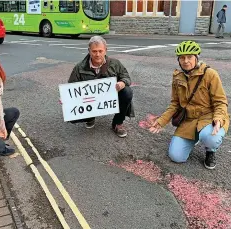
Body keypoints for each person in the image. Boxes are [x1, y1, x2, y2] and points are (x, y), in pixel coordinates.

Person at [149, 41, 229, 170]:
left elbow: (220, 101)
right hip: (189, 120)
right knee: (176, 156)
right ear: (178, 60)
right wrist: (161, 121)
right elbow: (175, 104)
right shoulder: (177, 77)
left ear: (196, 57)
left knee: (211, 138)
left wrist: (219, 118)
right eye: (182, 58)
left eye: (190, 57)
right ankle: (197, 136)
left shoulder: (210, 74)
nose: (186, 61)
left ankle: (211, 150)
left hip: (208, 117)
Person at [68, 36, 134, 138]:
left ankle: (117, 123)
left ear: (105, 51)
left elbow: (126, 76)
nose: (97, 54)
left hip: (110, 97)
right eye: (94, 51)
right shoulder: (79, 67)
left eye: (100, 51)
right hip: (90, 100)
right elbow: (71, 87)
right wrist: (66, 98)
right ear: (89, 51)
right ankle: (90, 117)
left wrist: (122, 83)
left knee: (127, 92)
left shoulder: (115, 63)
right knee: (72, 115)